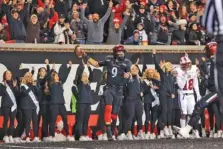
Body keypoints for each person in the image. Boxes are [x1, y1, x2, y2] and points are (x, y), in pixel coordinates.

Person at [74, 44, 132, 141]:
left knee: (114, 114)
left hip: (119, 89)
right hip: (109, 88)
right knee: (108, 108)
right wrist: (86, 55)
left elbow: (129, 72)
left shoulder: (127, 62)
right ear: (115, 53)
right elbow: (96, 64)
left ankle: (109, 126)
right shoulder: (109, 59)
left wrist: (128, 75)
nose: (121, 53)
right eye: (119, 52)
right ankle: (108, 131)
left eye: (122, 52)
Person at [173, 42, 218, 138]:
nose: (205, 51)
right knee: (199, 105)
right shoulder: (214, 60)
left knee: (200, 105)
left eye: (207, 49)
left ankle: (187, 130)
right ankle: (186, 130)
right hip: (214, 90)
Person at [176, 53, 201, 138]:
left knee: (191, 114)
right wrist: (185, 77)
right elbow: (181, 86)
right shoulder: (178, 72)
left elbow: (195, 84)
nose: (187, 66)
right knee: (184, 113)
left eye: (188, 64)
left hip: (191, 94)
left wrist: (198, 95)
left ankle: (190, 131)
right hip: (182, 94)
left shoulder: (193, 70)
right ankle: (182, 131)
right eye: (185, 64)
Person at [0, 71, 18, 143]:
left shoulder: (14, 84)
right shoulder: (2, 84)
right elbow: (0, 93)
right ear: (4, 75)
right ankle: (5, 135)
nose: (9, 75)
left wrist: (15, 87)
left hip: (13, 105)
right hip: (6, 105)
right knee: (6, 120)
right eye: (7, 74)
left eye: (10, 73)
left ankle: (10, 135)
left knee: (12, 121)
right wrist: (4, 86)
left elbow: (17, 94)